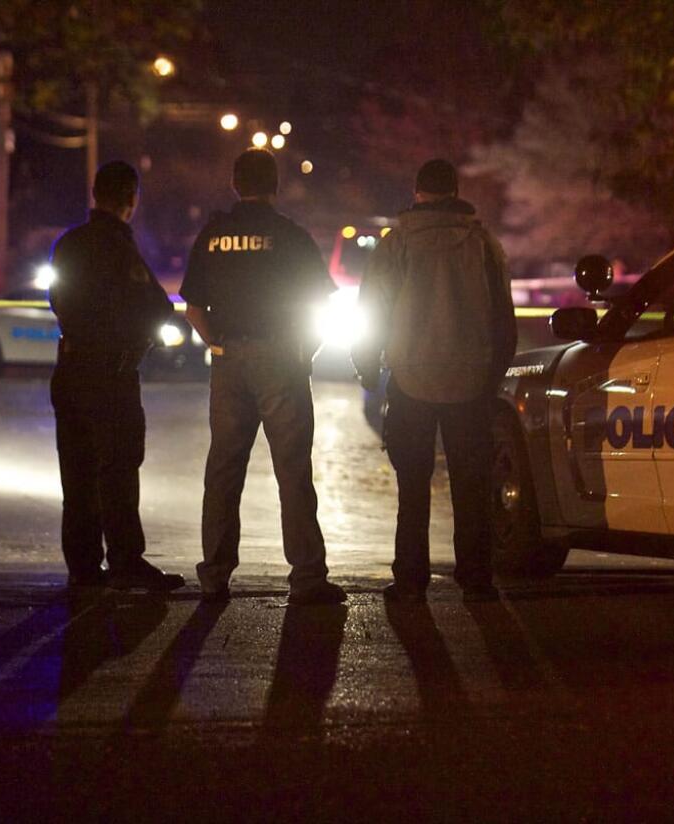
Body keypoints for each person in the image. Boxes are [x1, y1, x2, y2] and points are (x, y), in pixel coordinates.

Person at [182, 149, 346, 606]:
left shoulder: (213, 235)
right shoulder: (289, 235)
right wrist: (304, 350)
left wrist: (217, 344)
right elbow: (320, 303)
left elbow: (193, 307)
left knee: (223, 469)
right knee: (292, 469)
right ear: (274, 186)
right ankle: (308, 576)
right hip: (281, 360)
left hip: (229, 360)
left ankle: (214, 574)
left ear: (235, 184)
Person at [353, 158, 517, 603]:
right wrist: (492, 373)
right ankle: (476, 575)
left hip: (410, 378)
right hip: (470, 379)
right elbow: (503, 316)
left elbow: (374, 310)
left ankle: (410, 575)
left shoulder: (397, 244)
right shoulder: (482, 244)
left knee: (413, 483)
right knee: (471, 482)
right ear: (455, 191)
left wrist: (367, 365)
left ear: (418, 192)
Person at [49, 160, 184, 591]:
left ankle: (83, 567)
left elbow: (59, 299)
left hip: (70, 370)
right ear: (131, 198)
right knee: (119, 468)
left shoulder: (69, 243)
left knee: (77, 470)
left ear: (94, 193)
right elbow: (156, 308)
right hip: (110, 373)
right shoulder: (119, 246)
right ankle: (125, 561)